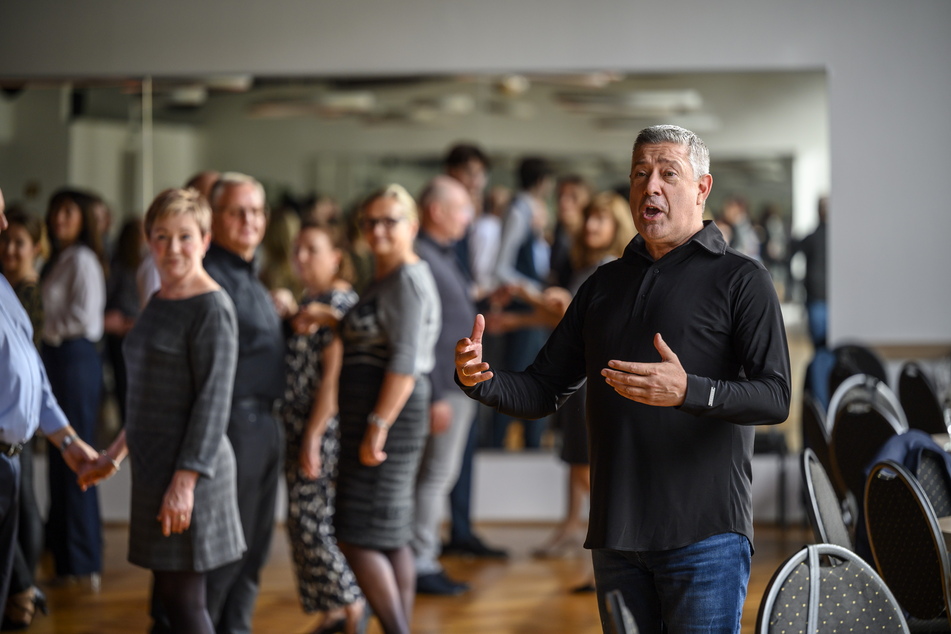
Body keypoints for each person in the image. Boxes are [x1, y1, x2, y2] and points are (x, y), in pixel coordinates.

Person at [454, 125, 791, 634]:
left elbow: (775, 395)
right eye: (639, 174)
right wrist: (479, 379)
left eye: (667, 174)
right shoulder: (602, 285)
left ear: (702, 188)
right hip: (616, 537)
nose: (649, 186)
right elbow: (544, 388)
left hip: (705, 537)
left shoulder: (742, 279)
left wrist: (689, 391)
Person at [80, 188, 246, 634]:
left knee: (186, 601)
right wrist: (115, 453)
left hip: (192, 472)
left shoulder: (212, 307)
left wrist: (185, 482)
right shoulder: (158, 300)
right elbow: (149, 396)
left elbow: (212, 403)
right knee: (171, 598)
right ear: (148, 241)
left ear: (206, 239)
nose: (173, 248)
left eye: (185, 236)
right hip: (156, 468)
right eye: (162, 236)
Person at [333, 184, 440, 634]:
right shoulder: (384, 276)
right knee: (390, 532)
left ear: (412, 226)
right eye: (370, 221)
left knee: (356, 534)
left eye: (389, 221)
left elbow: (404, 360)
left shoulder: (407, 278)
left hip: (389, 414)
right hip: (380, 413)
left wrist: (378, 425)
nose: (378, 229)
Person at [527, 193, 636, 598]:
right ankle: (576, 532)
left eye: (600, 220)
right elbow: (566, 319)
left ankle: (610, 551)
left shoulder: (609, 268)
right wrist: (515, 318)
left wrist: (530, 297)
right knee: (576, 463)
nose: (591, 227)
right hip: (579, 377)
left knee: (590, 470)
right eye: (589, 219)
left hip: (591, 380)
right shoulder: (588, 266)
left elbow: (580, 319)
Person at [0, 186, 99, 626]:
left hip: (10, 460)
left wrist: (67, 439)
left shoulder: (5, 287)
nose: (4, 227)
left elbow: (33, 373)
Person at [201, 172, 286, 634]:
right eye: (237, 210)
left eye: (255, 211)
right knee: (226, 552)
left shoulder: (250, 273)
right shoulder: (211, 275)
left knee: (254, 551)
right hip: (235, 424)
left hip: (264, 424)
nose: (248, 220)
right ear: (214, 217)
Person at [278, 221, 367, 634]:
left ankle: (352, 606)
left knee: (311, 522)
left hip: (322, 430)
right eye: (297, 250)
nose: (301, 258)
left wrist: (313, 436)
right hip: (299, 425)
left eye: (311, 250)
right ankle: (332, 611)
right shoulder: (308, 300)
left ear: (336, 256)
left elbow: (334, 377)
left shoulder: (338, 302)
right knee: (302, 521)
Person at [410, 176, 477, 595]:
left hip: (452, 386)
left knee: (438, 476)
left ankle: (420, 556)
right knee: (435, 476)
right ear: (437, 211)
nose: (469, 219)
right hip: (443, 388)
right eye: (462, 209)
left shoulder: (439, 254)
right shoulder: (422, 256)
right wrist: (436, 394)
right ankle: (420, 562)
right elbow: (423, 334)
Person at [40, 187, 108, 588]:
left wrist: (42, 330)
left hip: (75, 358)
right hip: (57, 357)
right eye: (55, 210)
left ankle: (83, 561)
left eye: (68, 211)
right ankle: (65, 560)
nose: (59, 218)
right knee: (60, 460)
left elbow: (85, 318)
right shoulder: (59, 259)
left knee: (77, 457)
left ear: (82, 217)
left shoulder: (82, 259)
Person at [0, 207, 50, 628]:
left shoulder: (21, 291)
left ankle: (22, 590)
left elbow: (27, 367)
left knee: (24, 504)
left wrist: (64, 436)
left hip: (14, 428)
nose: (6, 241)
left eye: (18, 240)